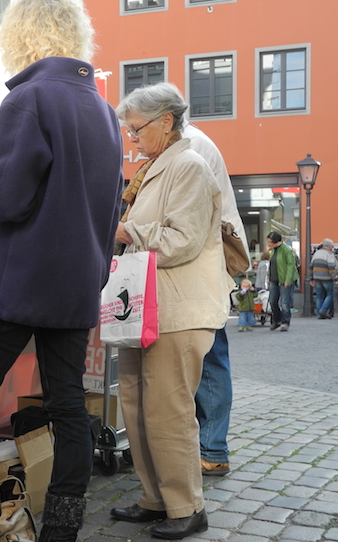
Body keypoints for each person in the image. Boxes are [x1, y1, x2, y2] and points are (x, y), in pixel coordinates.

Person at [0, 0, 123, 542]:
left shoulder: (28, 99)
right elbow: (110, 208)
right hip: (76, 283)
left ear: (19, 36)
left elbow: (5, 198)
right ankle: (61, 533)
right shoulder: (104, 110)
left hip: (20, 281)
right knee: (68, 405)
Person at [112, 82, 230, 539]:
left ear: (166, 121)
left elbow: (181, 240)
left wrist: (127, 232)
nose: (132, 138)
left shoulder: (189, 165)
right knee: (136, 404)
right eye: (129, 130)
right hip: (145, 306)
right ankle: (155, 497)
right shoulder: (155, 168)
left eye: (137, 128)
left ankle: (186, 506)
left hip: (178, 308)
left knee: (168, 408)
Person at [183, 123, 246, 478]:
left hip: (203, 266)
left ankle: (212, 449)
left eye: (136, 128)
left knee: (210, 358)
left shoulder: (191, 145)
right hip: (205, 265)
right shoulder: (192, 142)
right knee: (209, 357)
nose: (133, 138)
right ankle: (209, 447)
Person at [266, 231, 298, 332]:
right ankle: (277, 320)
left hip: (284, 279)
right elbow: (272, 265)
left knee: (284, 302)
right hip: (274, 279)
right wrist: (269, 278)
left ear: (276, 241)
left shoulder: (287, 250)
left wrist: (288, 280)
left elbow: (291, 265)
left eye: (270, 242)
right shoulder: (273, 250)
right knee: (272, 301)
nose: (269, 244)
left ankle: (285, 322)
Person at [310, 238, 338, 319]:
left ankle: (319, 315)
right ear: (329, 246)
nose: (332, 247)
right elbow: (331, 267)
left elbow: (311, 266)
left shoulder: (316, 253)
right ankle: (323, 310)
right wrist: (336, 279)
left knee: (319, 296)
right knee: (330, 295)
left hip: (317, 277)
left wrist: (311, 278)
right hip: (327, 277)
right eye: (332, 245)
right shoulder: (329, 254)